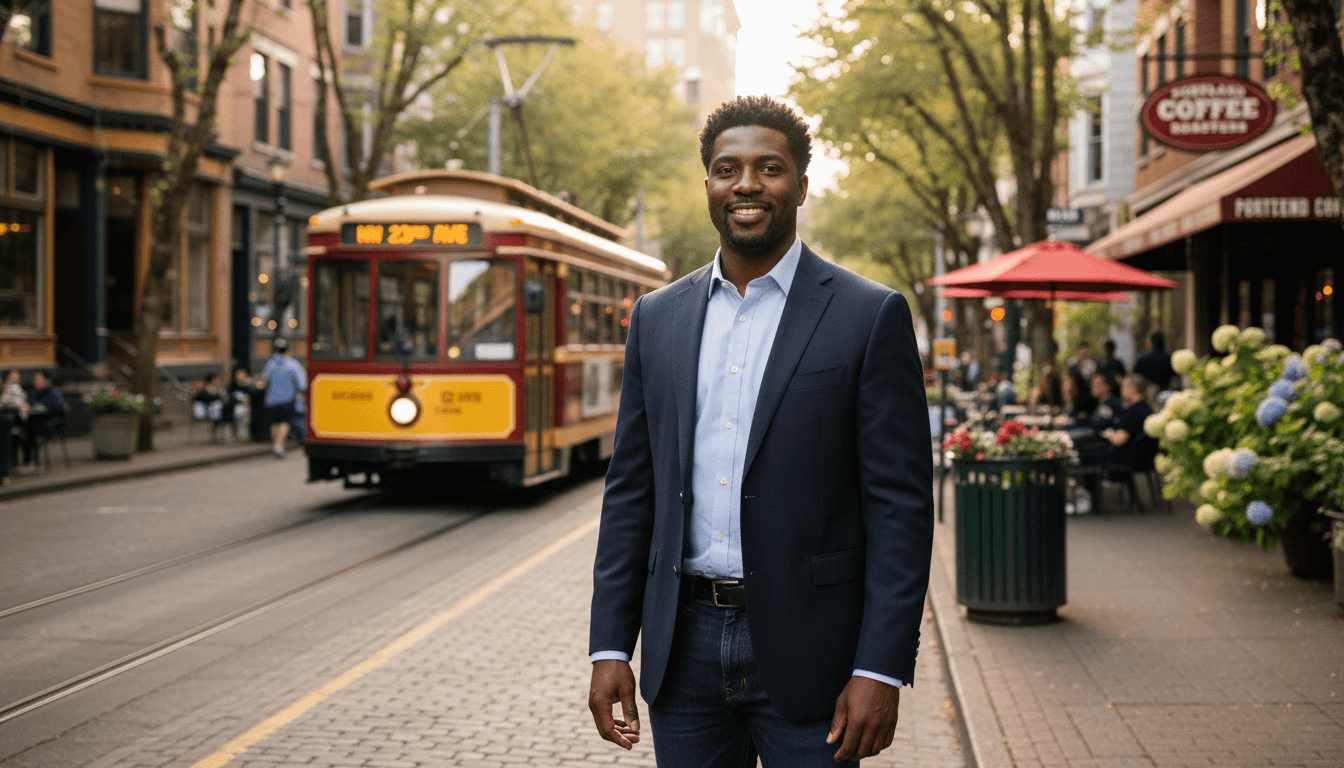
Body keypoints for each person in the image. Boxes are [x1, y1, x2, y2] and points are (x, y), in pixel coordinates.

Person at [587, 96, 935, 766]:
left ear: (801, 185)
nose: (746, 183)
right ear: (710, 186)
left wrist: (881, 667)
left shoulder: (868, 316)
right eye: (727, 169)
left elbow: (900, 509)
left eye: (768, 167)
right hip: (681, 652)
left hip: (816, 654)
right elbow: (631, 493)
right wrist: (609, 646)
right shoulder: (657, 319)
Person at [259, 338, 307, 458]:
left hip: (271, 399)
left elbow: (264, 380)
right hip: (287, 399)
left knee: (274, 423)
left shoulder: (270, 363)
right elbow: (302, 384)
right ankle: (279, 446)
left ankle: (276, 444)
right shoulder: (293, 364)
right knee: (284, 422)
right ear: (287, 350)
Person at [1102, 374, 1156, 470]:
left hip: (1133, 462)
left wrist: (1109, 434)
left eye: (1123, 387)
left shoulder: (1132, 411)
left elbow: (1119, 439)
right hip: (1148, 458)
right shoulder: (1147, 408)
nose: (1121, 390)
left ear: (1133, 389)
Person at [22, 371, 64, 467]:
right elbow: (29, 404)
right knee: (22, 430)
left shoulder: (54, 393)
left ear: (47, 381)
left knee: (27, 431)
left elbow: (57, 408)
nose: (35, 382)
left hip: (51, 424)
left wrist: (43, 409)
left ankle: (29, 462)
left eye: (38, 379)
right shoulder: (35, 394)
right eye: (35, 379)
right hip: (35, 422)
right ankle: (24, 462)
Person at [193, 373, 227, 442]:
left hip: (219, 412)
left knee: (222, 408)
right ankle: (217, 435)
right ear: (212, 381)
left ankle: (219, 435)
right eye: (217, 380)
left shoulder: (220, 390)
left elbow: (225, 400)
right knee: (217, 406)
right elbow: (197, 400)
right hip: (206, 412)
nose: (219, 381)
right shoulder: (203, 391)